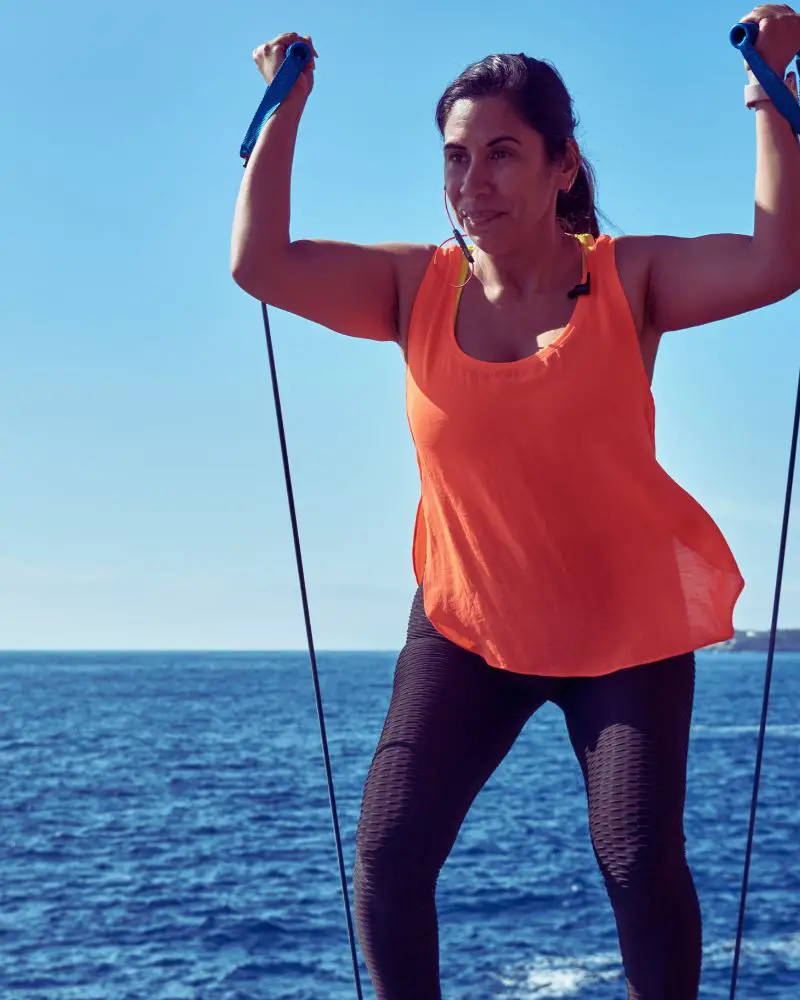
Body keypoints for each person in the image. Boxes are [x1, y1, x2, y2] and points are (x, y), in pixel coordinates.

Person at [230, 9, 800, 998]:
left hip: (624, 623)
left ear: (560, 164)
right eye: (455, 157)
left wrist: (767, 86)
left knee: (635, 859)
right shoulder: (413, 286)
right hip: (467, 620)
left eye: (501, 153)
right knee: (389, 857)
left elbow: (775, 259)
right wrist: (286, 105)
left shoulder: (630, 276)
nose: (471, 180)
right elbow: (259, 264)